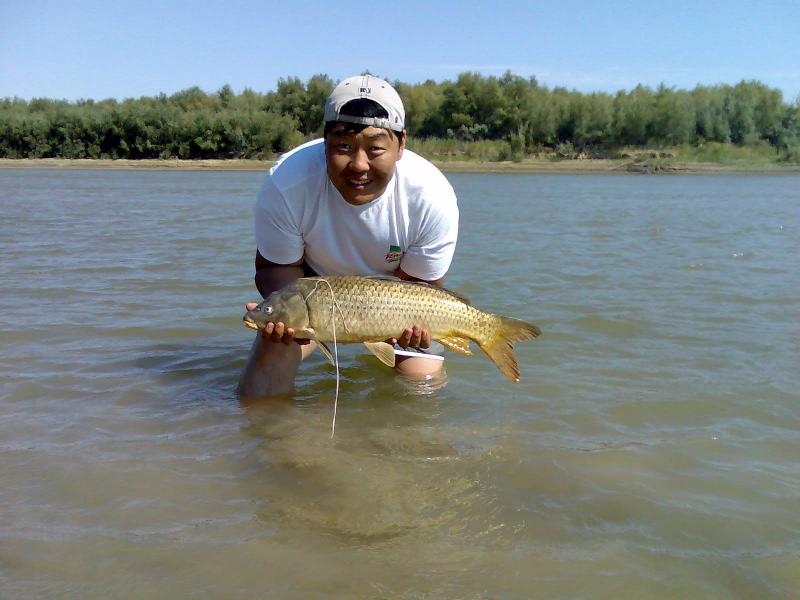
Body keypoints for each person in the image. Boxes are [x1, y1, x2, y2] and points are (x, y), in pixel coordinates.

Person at [238, 74, 459, 397]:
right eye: (343, 146)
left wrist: (391, 327)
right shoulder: (286, 182)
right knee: (264, 373)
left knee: (422, 382)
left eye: (376, 148)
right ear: (324, 142)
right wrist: (282, 313)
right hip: (310, 287)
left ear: (401, 145)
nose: (359, 165)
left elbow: (421, 285)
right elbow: (274, 267)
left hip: (394, 300)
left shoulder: (432, 197)